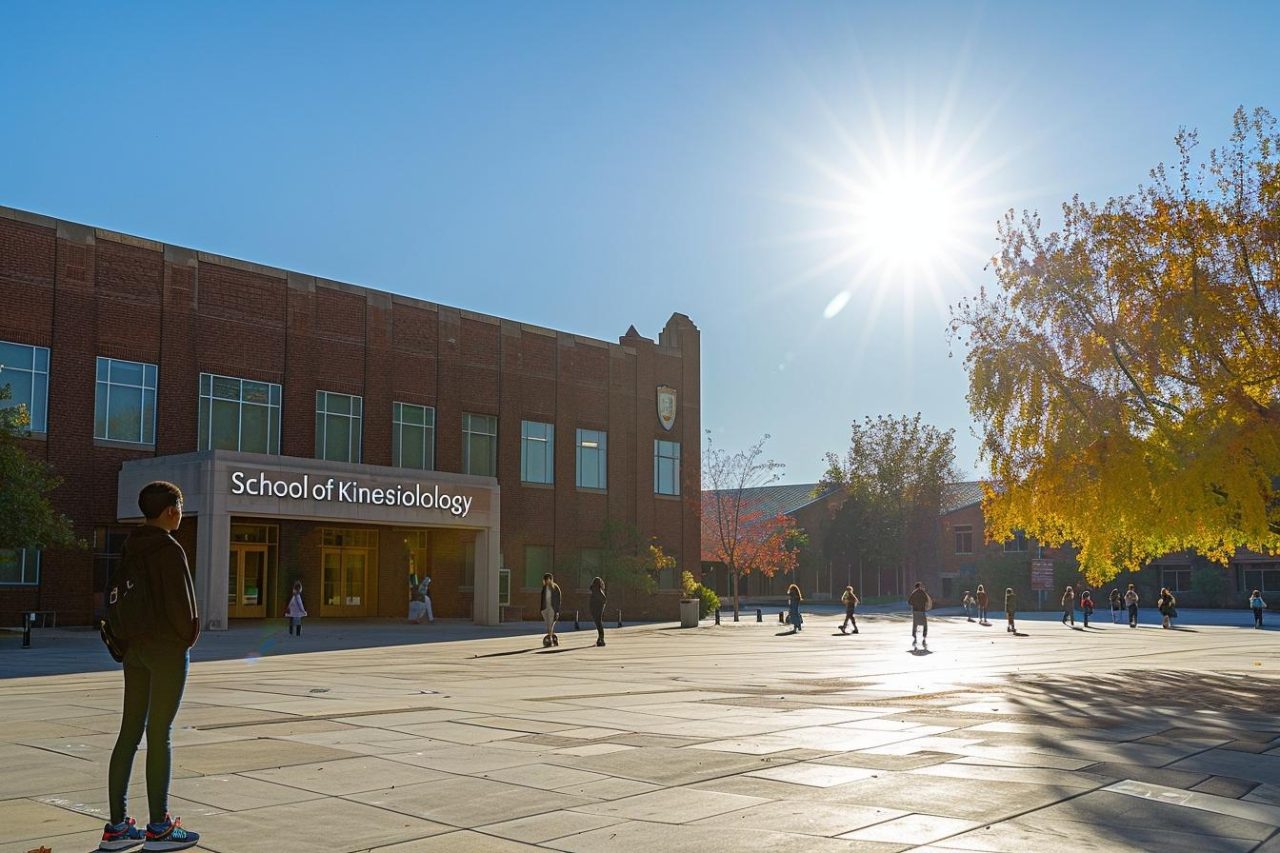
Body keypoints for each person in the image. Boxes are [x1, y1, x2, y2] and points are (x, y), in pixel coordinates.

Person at [102, 481, 201, 852]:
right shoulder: (169, 549)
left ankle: (116, 827)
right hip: (165, 650)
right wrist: (186, 639)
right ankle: (159, 827)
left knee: (129, 732)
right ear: (171, 510)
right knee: (160, 733)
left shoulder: (132, 546)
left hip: (135, 650)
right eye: (179, 507)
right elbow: (182, 604)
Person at [540, 573, 562, 647]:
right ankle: (553, 638)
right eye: (546, 579)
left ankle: (550, 640)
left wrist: (557, 610)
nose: (547, 581)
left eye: (548, 579)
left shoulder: (555, 588)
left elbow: (558, 600)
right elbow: (542, 599)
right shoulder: (544, 588)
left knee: (550, 625)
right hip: (545, 609)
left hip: (552, 609)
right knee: (548, 625)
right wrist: (541, 609)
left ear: (551, 579)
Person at [908, 582, 931, 647]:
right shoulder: (923, 593)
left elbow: (909, 602)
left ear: (915, 587)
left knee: (915, 624)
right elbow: (927, 601)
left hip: (915, 611)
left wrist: (914, 604)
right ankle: (924, 636)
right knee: (925, 624)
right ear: (919, 586)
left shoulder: (914, 593)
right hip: (922, 611)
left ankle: (914, 635)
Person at [589, 576, 608, 646]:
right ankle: (601, 639)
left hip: (594, 610)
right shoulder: (597, 590)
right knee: (599, 625)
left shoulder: (594, 590)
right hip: (598, 610)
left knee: (598, 625)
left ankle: (600, 639)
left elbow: (603, 600)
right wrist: (602, 607)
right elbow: (604, 600)